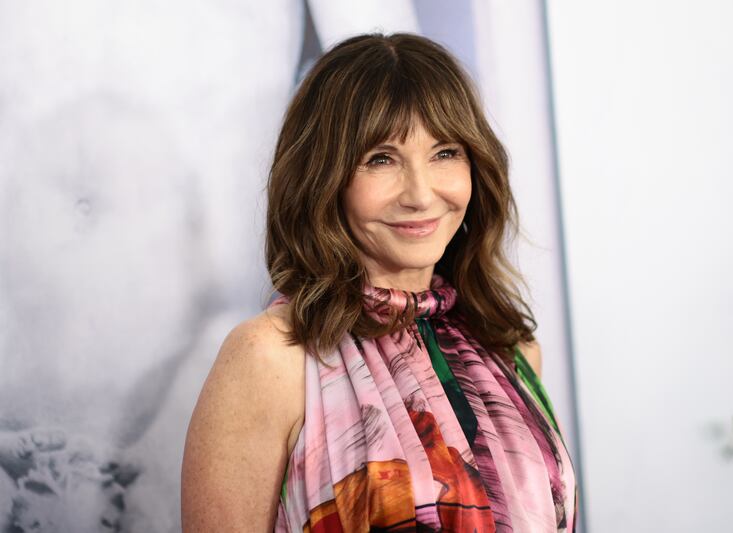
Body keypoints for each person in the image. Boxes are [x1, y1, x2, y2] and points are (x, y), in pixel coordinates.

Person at [181, 32, 578, 532]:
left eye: (445, 152)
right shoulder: (270, 357)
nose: (420, 193)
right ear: (324, 178)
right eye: (381, 158)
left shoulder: (512, 349)